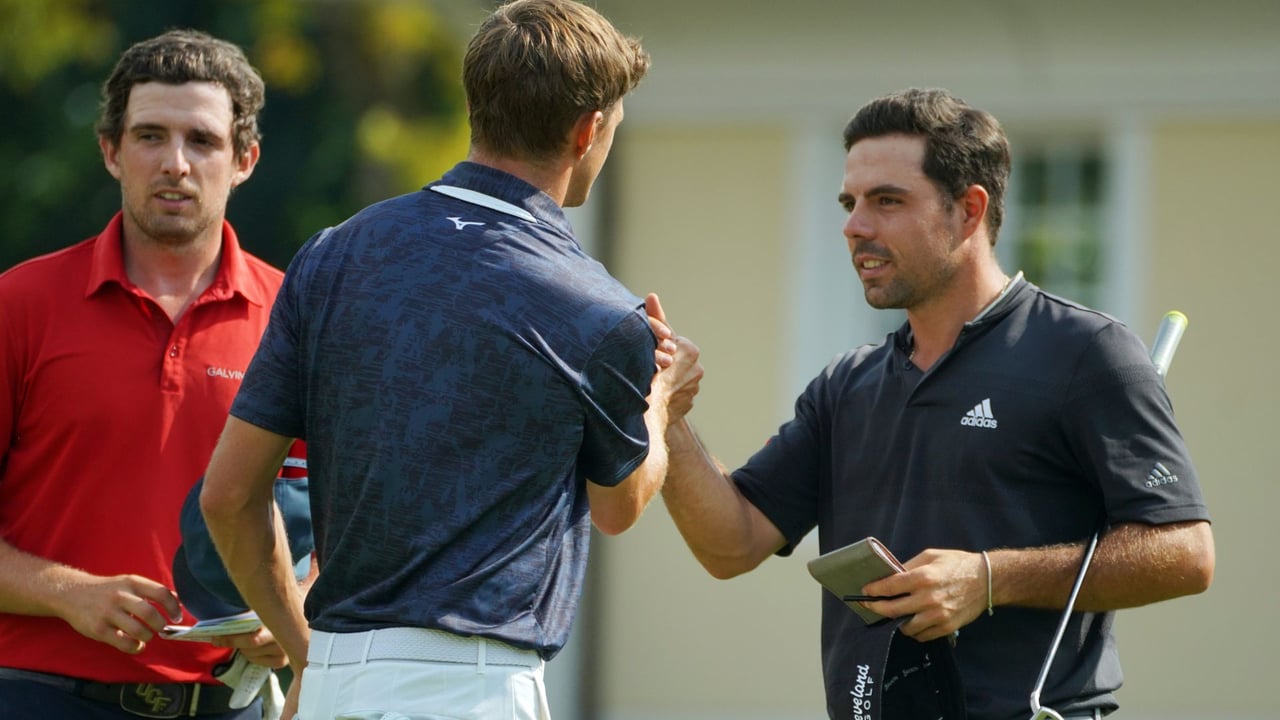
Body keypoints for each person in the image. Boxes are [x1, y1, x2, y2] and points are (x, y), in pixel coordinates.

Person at [198, 2, 701, 719]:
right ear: (588, 129)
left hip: (334, 678)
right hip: (473, 689)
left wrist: (306, 649)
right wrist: (659, 397)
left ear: (478, 106)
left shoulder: (333, 254)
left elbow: (228, 496)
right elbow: (619, 505)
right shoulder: (598, 308)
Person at [658, 87, 1214, 720]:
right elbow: (732, 543)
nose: (855, 226)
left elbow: (1184, 554)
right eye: (851, 203)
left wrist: (988, 579)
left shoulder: (1088, 353)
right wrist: (667, 417)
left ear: (969, 210)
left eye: (887, 201)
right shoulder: (848, 383)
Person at [0, 29, 300, 719]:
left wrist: (296, 608)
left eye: (202, 141)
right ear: (111, 151)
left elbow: (346, 520)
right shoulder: (19, 305)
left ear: (245, 159)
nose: (176, 164)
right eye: (149, 136)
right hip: (38, 697)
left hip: (230, 703)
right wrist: (66, 592)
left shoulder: (299, 318)